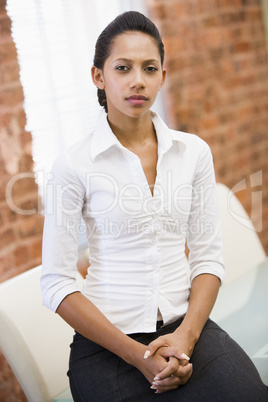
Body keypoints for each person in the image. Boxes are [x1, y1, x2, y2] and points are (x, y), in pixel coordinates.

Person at [41, 11, 268, 402]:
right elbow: (56, 284)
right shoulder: (73, 165)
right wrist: (139, 355)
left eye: (150, 68)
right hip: (108, 347)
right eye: (123, 68)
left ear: (163, 75)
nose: (138, 80)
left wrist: (185, 338)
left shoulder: (193, 152)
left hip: (188, 331)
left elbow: (208, 260)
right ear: (99, 77)